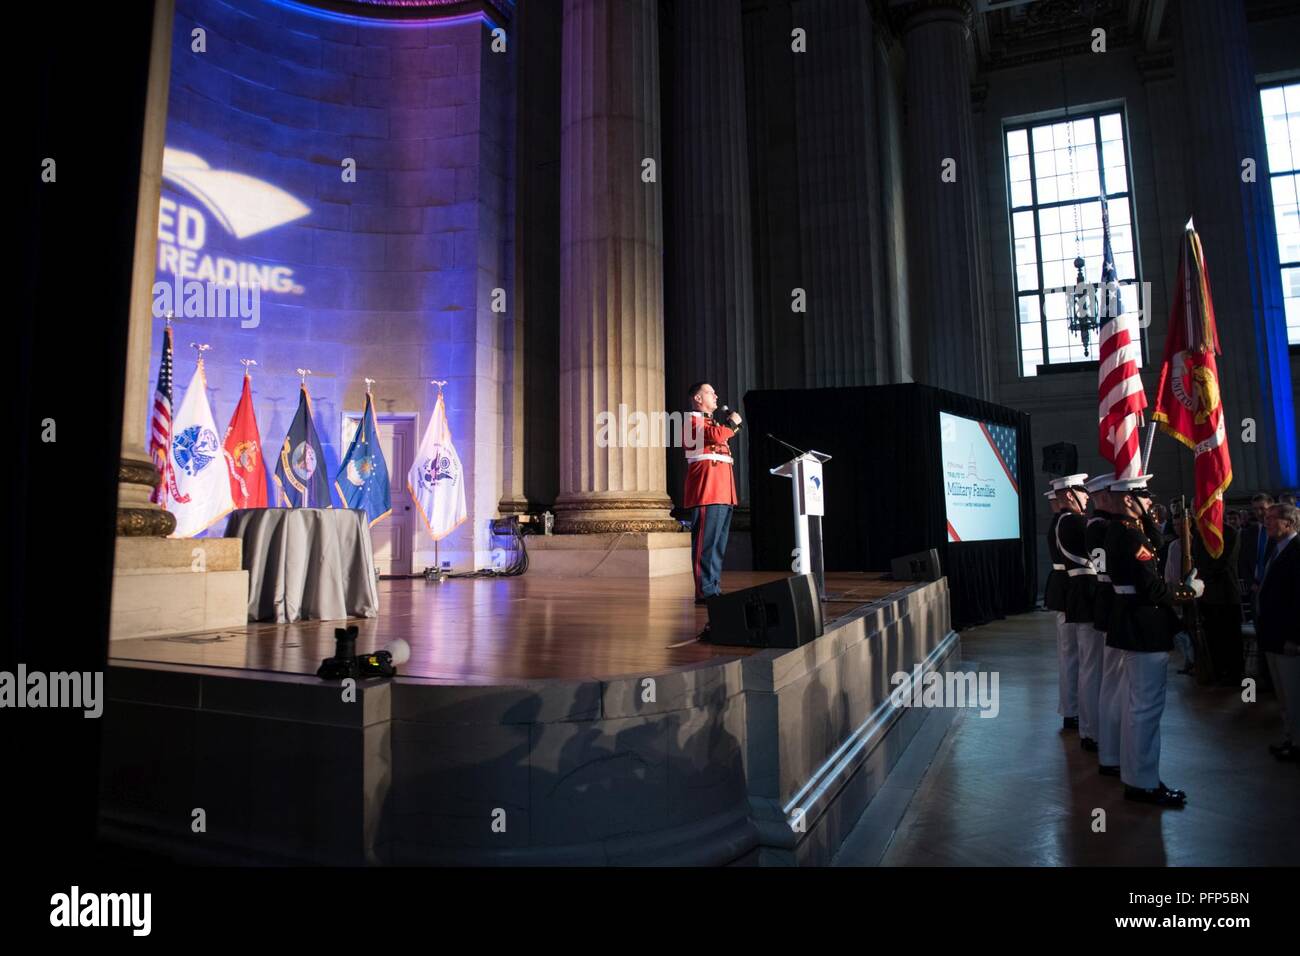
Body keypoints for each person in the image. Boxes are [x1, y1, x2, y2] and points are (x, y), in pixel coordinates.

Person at [1105, 474, 1198, 807]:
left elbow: (1158, 544)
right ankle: (1143, 783)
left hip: (1132, 623)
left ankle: (1136, 776)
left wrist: (1143, 515)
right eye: (1145, 498)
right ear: (1130, 500)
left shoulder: (1121, 531)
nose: (1150, 504)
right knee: (1146, 708)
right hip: (1145, 625)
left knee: (1137, 705)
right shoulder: (1130, 538)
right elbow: (1154, 589)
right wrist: (1189, 591)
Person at [1167, 509, 1243, 684]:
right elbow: (1196, 561)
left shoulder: (1230, 532)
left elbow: (1224, 563)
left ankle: (1234, 675)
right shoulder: (1200, 535)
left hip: (1226, 594)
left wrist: (1201, 578)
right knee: (1212, 637)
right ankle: (1216, 672)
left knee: (1230, 637)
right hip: (1206, 596)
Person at [683, 382, 741, 606]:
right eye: (710, 392)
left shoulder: (713, 423)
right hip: (707, 491)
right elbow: (716, 436)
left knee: (717, 545)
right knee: (705, 544)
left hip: (723, 491)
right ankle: (704, 591)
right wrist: (733, 424)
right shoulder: (690, 420)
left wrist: (728, 426)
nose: (716, 395)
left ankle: (713, 587)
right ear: (698, 398)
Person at [1056, 474, 1101, 750]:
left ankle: (1087, 724)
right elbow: (1098, 553)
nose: (1088, 497)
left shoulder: (1069, 521)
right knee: (1090, 665)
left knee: (1085, 663)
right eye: (1084, 493)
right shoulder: (1074, 521)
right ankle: (1090, 728)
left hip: (1081, 593)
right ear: (1072, 495)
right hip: (1086, 594)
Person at [1084, 474, 1124, 776]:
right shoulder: (1100, 528)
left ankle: (1108, 741)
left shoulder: (1100, 526)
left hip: (1109, 599)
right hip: (1112, 600)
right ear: (1105, 497)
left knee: (1109, 676)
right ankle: (1108, 744)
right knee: (1110, 677)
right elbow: (1105, 567)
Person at [1256, 502, 1300, 761]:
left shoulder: (1295, 551)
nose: (1266, 522)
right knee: (1283, 694)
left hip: (1287, 638)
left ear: (1289, 523)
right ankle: (1290, 737)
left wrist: (1295, 637)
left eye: (1273, 518)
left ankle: (1297, 743)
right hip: (1272, 635)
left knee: (1294, 694)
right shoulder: (1277, 549)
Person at [1045, 476, 1082, 731]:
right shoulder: (1066, 521)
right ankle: (1072, 709)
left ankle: (1072, 708)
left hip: (1065, 589)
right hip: (1070, 589)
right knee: (1073, 655)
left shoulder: (1059, 522)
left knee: (1071, 654)